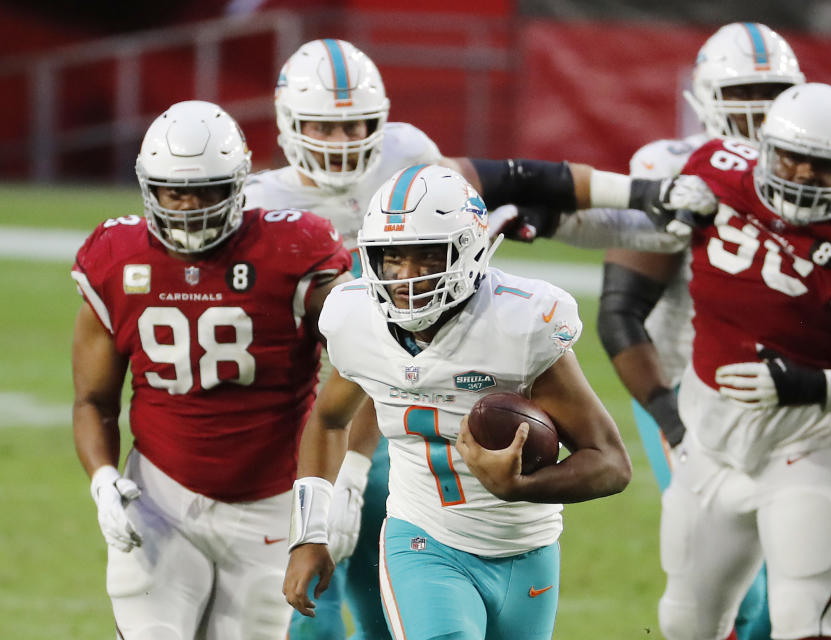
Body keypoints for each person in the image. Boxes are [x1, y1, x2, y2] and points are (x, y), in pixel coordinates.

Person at [244, 38, 705, 640]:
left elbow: (524, 181)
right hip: (325, 416)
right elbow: (350, 377)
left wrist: (645, 197)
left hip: (449, 453)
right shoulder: (273, 223)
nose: (341, 142)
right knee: (313, 622)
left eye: (355, 125)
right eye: (322, 128)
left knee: (383, 624)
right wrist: (331, 500)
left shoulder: (413, 167)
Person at [282, 164, 633, 640]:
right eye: (391, 259)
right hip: (423, 539)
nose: (405, 277)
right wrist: (309, 533)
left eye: (426, 258)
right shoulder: (354, 317)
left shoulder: (520, 323)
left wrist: (521, 486)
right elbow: (327, 421)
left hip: (527, 547)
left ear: (468, 252)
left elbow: (611, 464)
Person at [656, 83, 831, 640]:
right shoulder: (716, 173)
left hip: (808, 446)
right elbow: (627, 217)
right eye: (792, 157)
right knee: (684, 623)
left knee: (804, 620)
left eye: (822, 166)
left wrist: (806, 385)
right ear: (763, 149)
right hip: (710, 443)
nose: (803, 174)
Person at [71, 100, 353, 640]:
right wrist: (104, 480)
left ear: (241, 184)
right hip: (160, 497)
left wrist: (319, 504)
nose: (189, 207)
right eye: (175, 191)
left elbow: (358, 361)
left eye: (207, 190)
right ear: (148, 187)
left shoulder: (293, 248)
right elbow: (93, 401)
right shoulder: (116, 254)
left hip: (270, 504)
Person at [598, 22, 805, 640]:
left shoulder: (811, 179)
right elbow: (619, 312)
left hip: (779, 394)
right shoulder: (672, 169)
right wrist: (667, 414)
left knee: (790, 584)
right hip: (684, 386)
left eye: (772, 93)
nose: (759, 110)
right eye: (744, 91)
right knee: (734, 585)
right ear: (706, 96)